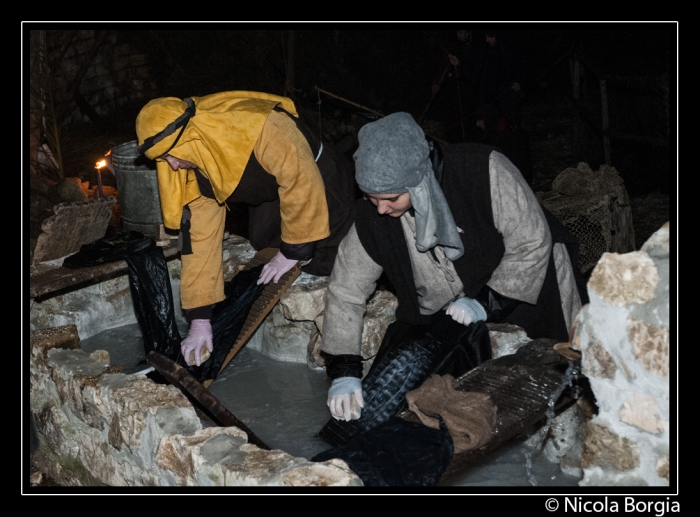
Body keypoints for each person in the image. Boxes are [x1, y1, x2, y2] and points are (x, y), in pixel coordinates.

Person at [319, 112, 588, 422]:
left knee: (555, 381)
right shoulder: (372, 218)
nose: (380, 208)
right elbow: (346, 289)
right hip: (456, 298)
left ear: (418, 180)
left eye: (390, 198)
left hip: (528, 277)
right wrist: (344, 369)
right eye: (370, 197)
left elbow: (531, 241)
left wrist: (488, 302)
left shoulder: (482, 169)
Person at [135, 91, 356, 367]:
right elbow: (200, 237)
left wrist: (294, 250)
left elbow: (301, 181)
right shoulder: (191, 162)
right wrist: (200, 318)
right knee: (264, 241)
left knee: (331, 256)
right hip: (271, 194)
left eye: (172, 155)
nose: (173, 165)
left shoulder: (265, 128)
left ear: (191, 137)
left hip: (321, 181)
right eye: (164, 159)